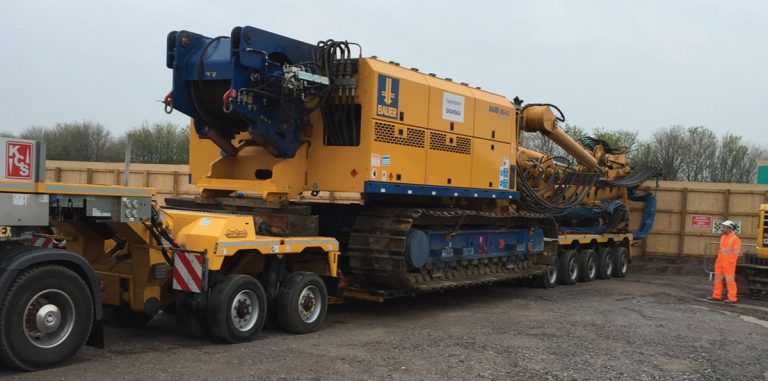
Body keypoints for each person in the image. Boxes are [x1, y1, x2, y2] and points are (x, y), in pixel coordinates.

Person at [708, 220, 741, 303]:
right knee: (718, 280)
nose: (722, 229)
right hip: (720, 262)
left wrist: (730, 262)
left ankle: (732, 298)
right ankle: (716, 296)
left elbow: (736, 253)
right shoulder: (723, 237)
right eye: (722, 227)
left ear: (730, 228)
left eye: (724, 227)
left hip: (729, 264)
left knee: (730, 281)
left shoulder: (735, 239)